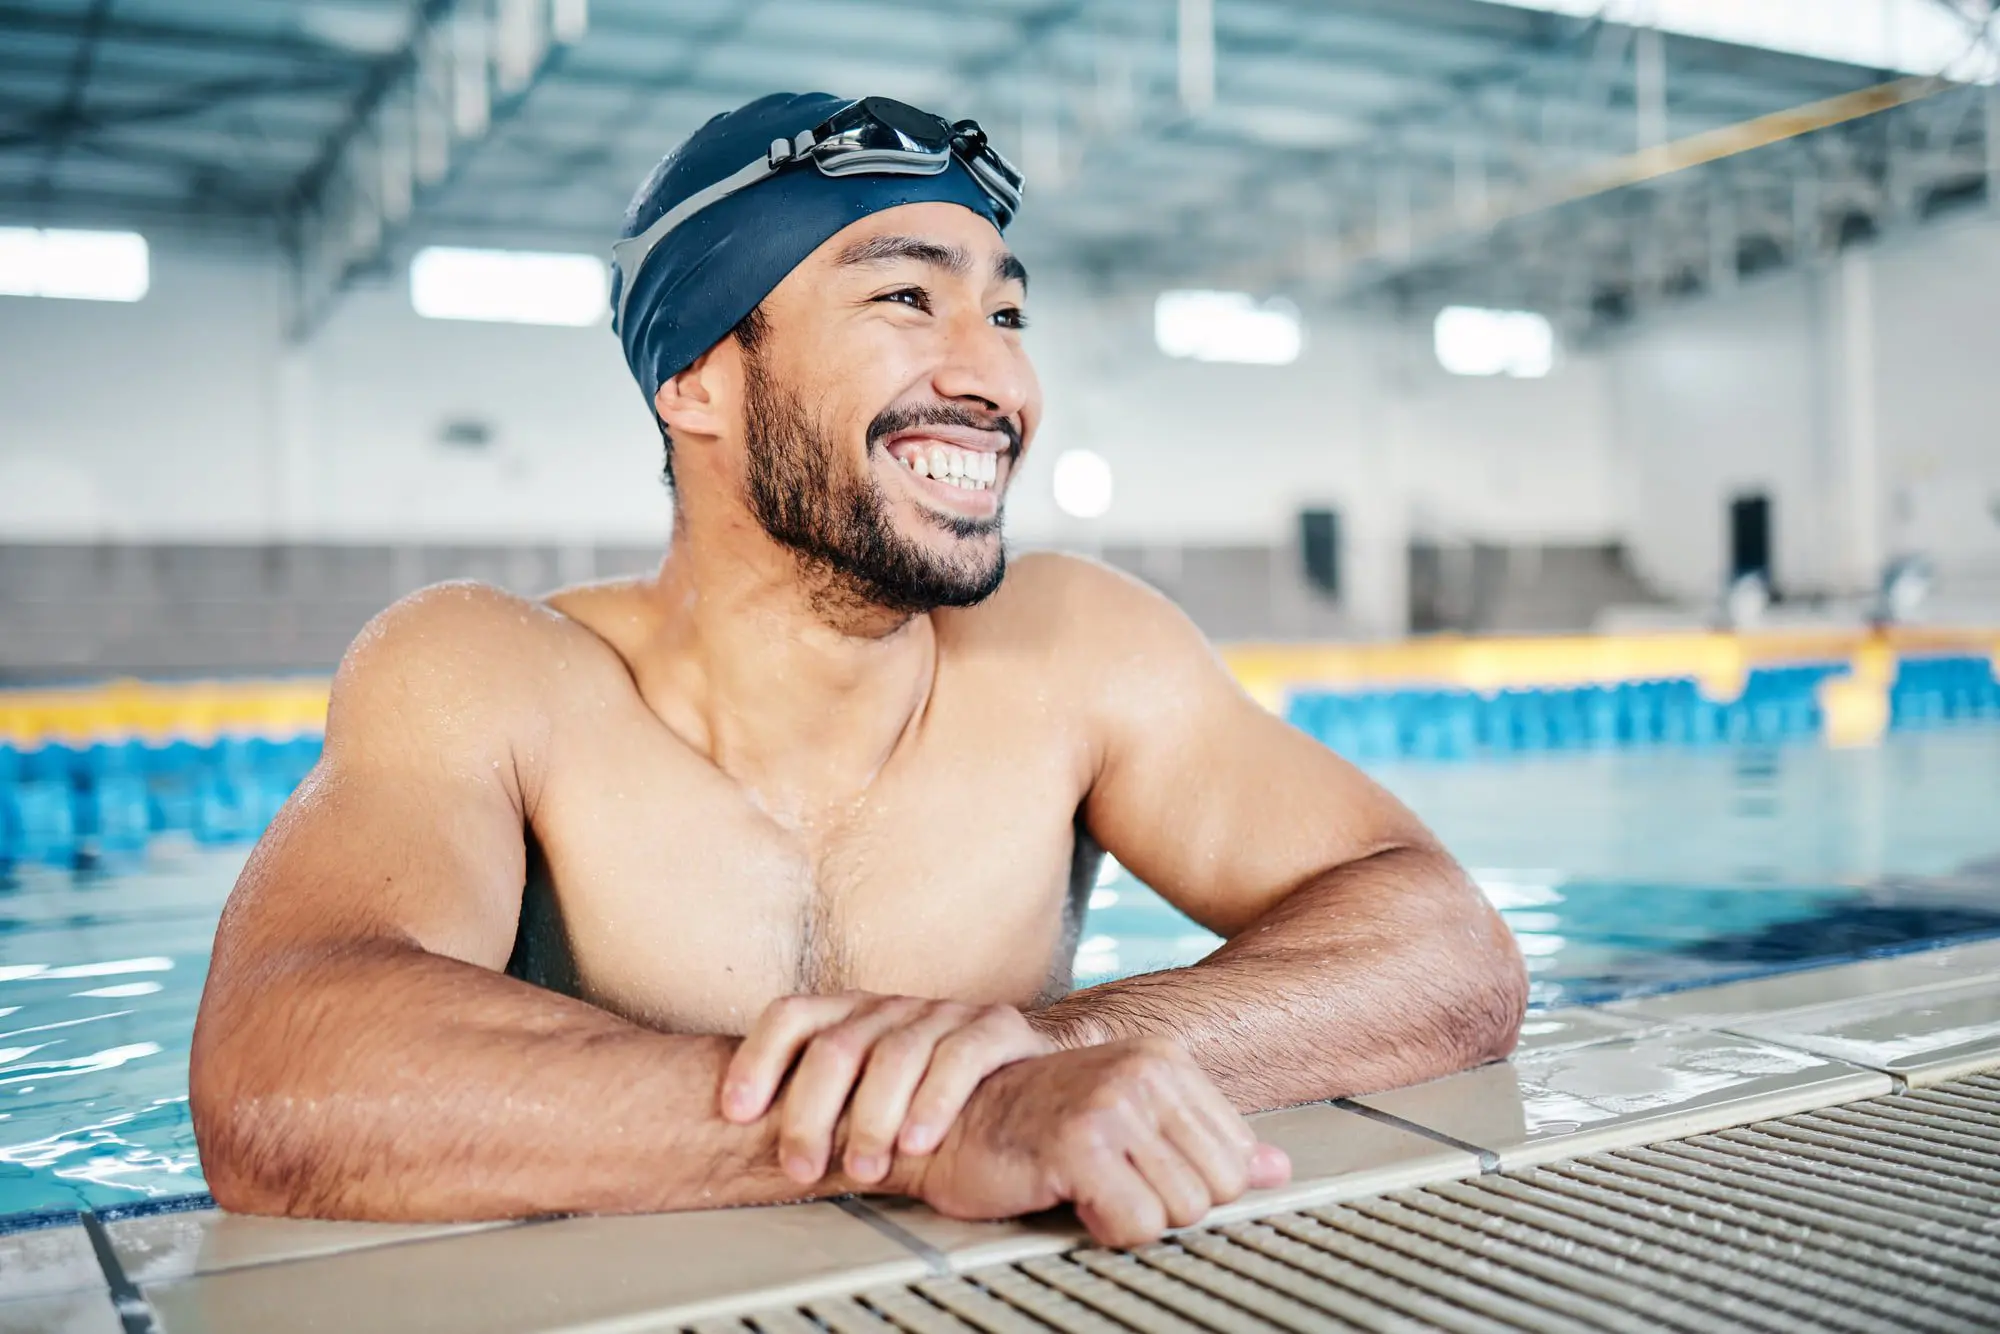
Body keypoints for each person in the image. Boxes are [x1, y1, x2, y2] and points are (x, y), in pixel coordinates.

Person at [190, 93, 1525, 1249]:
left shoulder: (1075, 649)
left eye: (1006, 311)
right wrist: (942, 1122)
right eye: (907, 296)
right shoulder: (489, 675)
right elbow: (278, 1081)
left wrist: (1050, 1066)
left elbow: (1449, 954)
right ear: (700, 379)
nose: (995, 374)